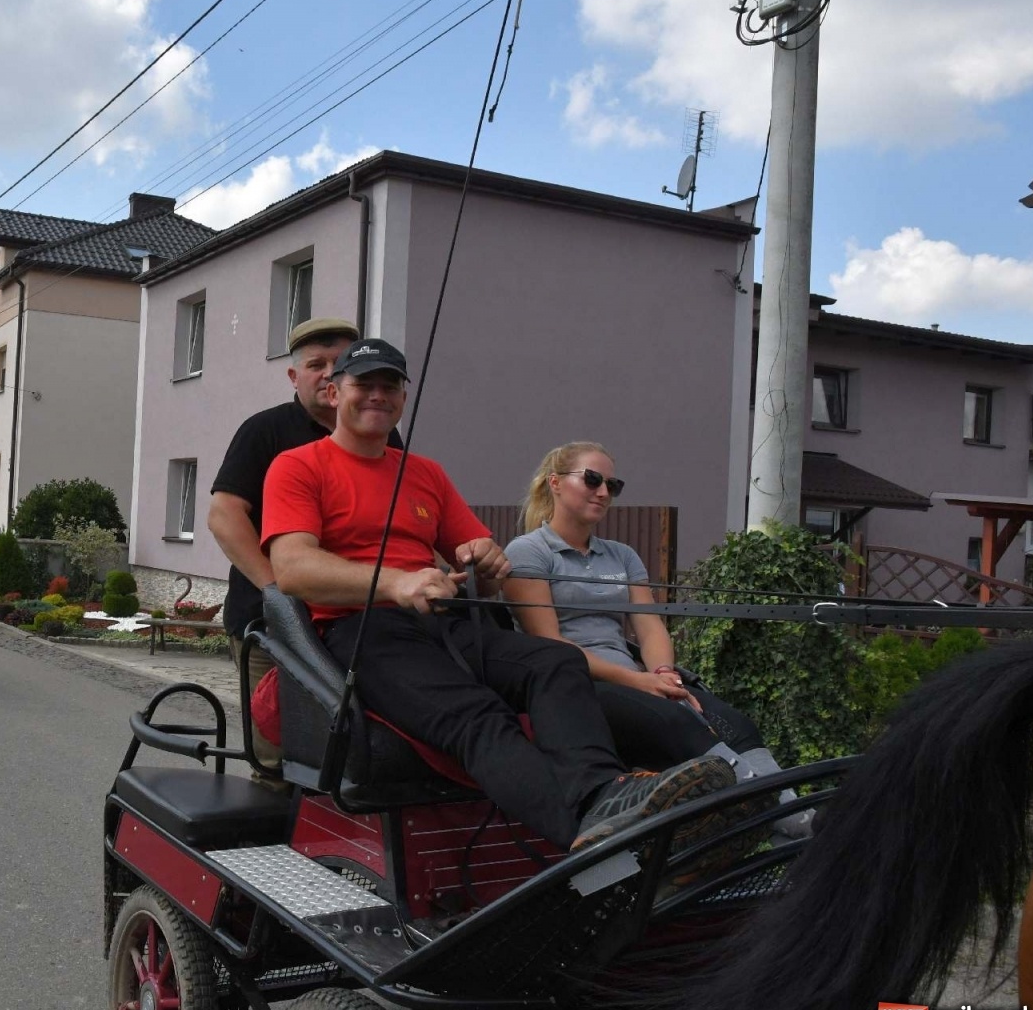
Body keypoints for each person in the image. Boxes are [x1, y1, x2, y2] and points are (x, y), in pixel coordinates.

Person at [261, 339, 734, 852]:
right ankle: (588, 841)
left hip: (442, 624)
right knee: (478, 717)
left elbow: (482, 558)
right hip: (361, 632)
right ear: (333, 393)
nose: (378, 395)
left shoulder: (425, 473)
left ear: (402, 397)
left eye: (390, 385)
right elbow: (292, 570)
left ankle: (604, 795)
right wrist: (397, 582)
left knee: (556, 662)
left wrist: (485, 560)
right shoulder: (298, 466)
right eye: (364, 384)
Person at [503, 441, 810, 838]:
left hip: (634, 678)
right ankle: (777, 817)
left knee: (735, 723)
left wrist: (664, 674)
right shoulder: (529, 552)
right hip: (573, 687)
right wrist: (643, 683)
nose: (603, 492)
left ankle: (783, 813)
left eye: (613, 485)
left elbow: (649, 628)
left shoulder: (622, 556)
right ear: (556, 483)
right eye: (593, 479)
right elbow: (552, 648)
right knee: (675, 723)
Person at [209, 317, 401, 766]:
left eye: (340, 364)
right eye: (317, 364)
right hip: (272, 627)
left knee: (347, 754)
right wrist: (278, 592)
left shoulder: (384, 435)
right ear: (294, 377)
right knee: (280, 756)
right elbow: (225, 516)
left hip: (354, 624)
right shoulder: (265, 431)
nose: (329, 373)